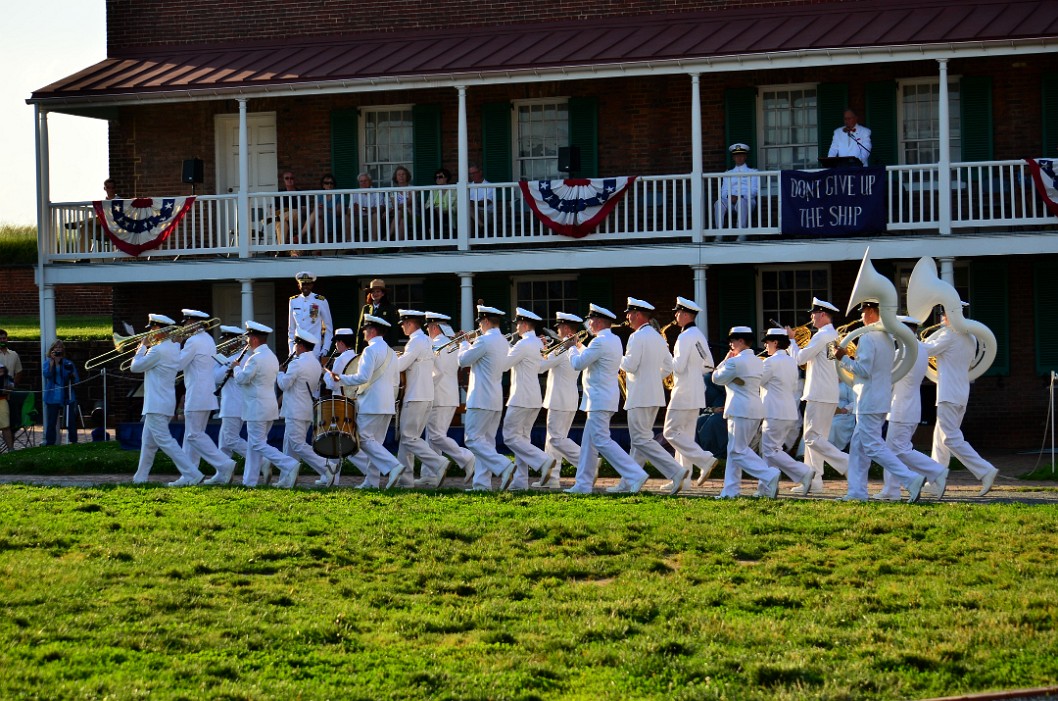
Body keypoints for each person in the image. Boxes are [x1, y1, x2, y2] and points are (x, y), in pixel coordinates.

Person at [832, 301, 926, 502]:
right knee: (858, 447)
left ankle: (911, 479)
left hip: (869, 400)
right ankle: (856, 492)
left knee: (873, 446)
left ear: (872, 312)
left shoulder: (868, 337)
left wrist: (843, 358)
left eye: (864, 312)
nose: (862, 316)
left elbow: (864, 370)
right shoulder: (886, 337)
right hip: (877, 399)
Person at [565, 304, 650, 495]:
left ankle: (635, 473)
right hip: (603, 398)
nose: (588, 323)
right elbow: (592, 357)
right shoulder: (612, 340)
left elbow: (578, 363)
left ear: (599, 321)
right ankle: (583, 484)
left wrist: (571, 348)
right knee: (589, 444)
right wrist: (579, 346)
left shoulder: (600, 341)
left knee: (602, 440)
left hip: (598, 399)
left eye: (591, 319)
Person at [923, 304, 1001, 496]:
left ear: (951, 315)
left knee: (950, 438)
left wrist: (911, 339)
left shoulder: (948, 335)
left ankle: (984, 470)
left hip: (948, 394)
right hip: (960, 393)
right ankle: (936, 480)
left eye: (943, 313)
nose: (941, 317)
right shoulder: (970, 337)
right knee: (939, 439)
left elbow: (925, 350)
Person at [875, 316, 949, 501]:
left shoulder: (903, 351)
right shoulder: (921, 349)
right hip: (910, 406)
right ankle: (891, 490)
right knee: (893, 451)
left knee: (899, 450)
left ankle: (936, 471)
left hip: (901, 407)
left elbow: (886, 375)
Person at [619, 297, 689, 495]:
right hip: (653, 395)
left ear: (639, 315)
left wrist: (616, 356)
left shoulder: (636, 337)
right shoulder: (658, 336)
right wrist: (651, 379)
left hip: (640, 395)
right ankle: (629, 481)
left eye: (630, 313)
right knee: (639, 442)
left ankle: (676, 471)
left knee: (641, 440)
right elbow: (668, 366)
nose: (627, 317)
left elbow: (630, 366)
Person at [329, 315, 406, 489]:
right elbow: (396, 380)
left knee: (362, 439)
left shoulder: (370, 351)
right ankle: (371, 482)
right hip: (387, 404)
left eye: (365, 329)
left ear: (371, 331)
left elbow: (363, 377)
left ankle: (393, 466)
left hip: (371, 403)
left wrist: (341, 378)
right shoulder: (392, 352)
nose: (363, 332)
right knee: (375, 444)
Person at [129, 314, 205, 486]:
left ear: (159, 330)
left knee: (166, 441)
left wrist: (142, 347)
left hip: (156, 403)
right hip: (162, 401)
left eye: (153, 329)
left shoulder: (158, 350)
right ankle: (140, 478)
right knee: (148, 444)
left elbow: (135, 367)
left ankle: (193, 473)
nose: (150, 333)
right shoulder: (173, 347)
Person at [711, 326, 781, 499]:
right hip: (754, 409)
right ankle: (730, 491)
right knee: (735, 451)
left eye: (733, 341)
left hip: (740, 410)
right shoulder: (759, 361)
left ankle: (769, 474)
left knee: (737, 451)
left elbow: (716, 378)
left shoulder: (735, 362)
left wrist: (726, 360)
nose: (731, 344)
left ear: (741, 341)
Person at [789, 298, 849, 493]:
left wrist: (791, 340)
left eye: (814, 313)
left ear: (823, 314)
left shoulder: (822, 335)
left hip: (819, 393)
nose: (811, 317)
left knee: (811, 437)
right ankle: (814, 481)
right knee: (816, 438)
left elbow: (800, 358)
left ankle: (847, 463)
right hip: (827, 393)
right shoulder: (832, 335)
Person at [232, 321, 302, 488]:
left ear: (254, 339)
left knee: (256, 444)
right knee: (254, 445)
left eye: (249, 338)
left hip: (257, 408)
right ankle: (249, 481)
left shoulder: (254, 359)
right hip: (268, 406)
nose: (247, 342)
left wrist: (235, 368)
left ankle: (288, 464)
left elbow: (242, 379)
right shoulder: (271, 356)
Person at [662, 297, 719, 491]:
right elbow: (709, 365)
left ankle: (705, 459)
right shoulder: (698, 335)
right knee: (684, 435)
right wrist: (694, 373)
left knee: (669, 432)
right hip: (696, 392)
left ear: (685, 314)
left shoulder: (685, 337)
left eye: (677, 312)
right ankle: (683, 479)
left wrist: (665, 353)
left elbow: (677, 367)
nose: (675, 315)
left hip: (683, 391)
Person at [458, 305, 516, 491]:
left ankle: (503, 465)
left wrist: (464, 343)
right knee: (487, 442)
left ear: (485, 321)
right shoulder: (502, 341)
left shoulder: (484, 340)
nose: (479, 327)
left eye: (481, 323)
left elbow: (463, 361)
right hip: (495, 398)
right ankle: (482, 484)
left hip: (480, 398)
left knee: (473, 440)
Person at [177, 309, 238, 484]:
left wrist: (176, 344)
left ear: (193, 323)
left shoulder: (192, 341)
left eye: (186, 323)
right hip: (205, 394)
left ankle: (224, 464)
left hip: (197, 394)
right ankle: (190, 474)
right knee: (193, 436)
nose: (184, 326)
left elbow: (178, 364)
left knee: (193, 435)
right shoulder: (208, 339)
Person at [394, 309, 451, 489]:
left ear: (410, 324)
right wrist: (427, 385)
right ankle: (406, 481)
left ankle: (438, 462)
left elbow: (401, 365)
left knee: (409, 438)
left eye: (403, 324)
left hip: (415, 397)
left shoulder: (415, 342)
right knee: (408, 439)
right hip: (427, 397)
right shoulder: (428, 341)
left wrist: (389, 360)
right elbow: (440, 371)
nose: (403, 327)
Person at [501, 308, 556, 490]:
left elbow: (504, 365)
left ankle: (543, 460)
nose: (516, 327)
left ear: (524, 325)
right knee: (522, 440)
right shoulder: (537, 343)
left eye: (518, 324)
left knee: (509, 437)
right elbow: (541, 368)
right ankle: (520, 481)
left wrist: (503, 345)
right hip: (533, 397)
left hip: (521, 398)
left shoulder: (523, 344)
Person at [419, 312, 475, 487]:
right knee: (432, 436)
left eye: (428, 327)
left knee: (435, 436)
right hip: (450, 395)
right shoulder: (453, 345)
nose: (427, 331)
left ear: (434, 327)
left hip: (438, 395)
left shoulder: (434, 345)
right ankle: (430, 474)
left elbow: (436, 372)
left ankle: (467, 458)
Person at [758, 328, 814, 495]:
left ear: (775, 342)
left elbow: (757, 381)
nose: (766, 346)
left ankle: (803, 472)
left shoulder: (770, 362)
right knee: (771, 451)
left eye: (767, 342)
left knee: (770, 450)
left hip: (775, 412)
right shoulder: (791, 361)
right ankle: (766, 488)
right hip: (788, 412)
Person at [536, 312, 585, 489]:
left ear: (565, 328)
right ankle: (552, 478)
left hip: (558, 400)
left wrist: (537, 348)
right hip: (570, 399)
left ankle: (587, 462)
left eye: (559, 327)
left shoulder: (563, 348)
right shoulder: (580, 347)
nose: (557, 330)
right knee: (554, 440)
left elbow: (540, 367)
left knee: (556, 439)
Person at [277, 331, 332, 486]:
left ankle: (326, 466)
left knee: (296, 444)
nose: (295, 348)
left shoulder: (297, 363)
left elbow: (283, 384)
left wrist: (280, 373)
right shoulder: (315, 363)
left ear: (300, 346)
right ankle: (287, 478)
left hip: (295, 410)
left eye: (296, 345)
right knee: (289, 446)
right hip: (304, 409)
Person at [205, 324, 256, 485]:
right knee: (224, 442)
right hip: (234, 404)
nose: (225, 343)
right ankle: (221, 473)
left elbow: (215, 378)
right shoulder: (243, 357)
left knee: (232, 439)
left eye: (227, 340)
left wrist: (220, 364)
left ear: (234, 342)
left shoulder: (238, 359)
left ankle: (260, 461)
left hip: (233, 405)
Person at [320, 327, 359, 485]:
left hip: (339, 402)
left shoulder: (341, 359)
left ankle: (331, 478)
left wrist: (325, 375)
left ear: (341, 342)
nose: (336, 345)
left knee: (337, 441)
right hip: (353, 401)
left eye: (336, 342)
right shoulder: (357, 356)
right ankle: (329, 477)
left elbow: (332, 384)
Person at [713, 143, 761, 239]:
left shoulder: (753, 172)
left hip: (747, 201)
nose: (739, 158)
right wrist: (730, 197)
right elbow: (724, 192)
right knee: (719, 203)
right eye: (736, 156)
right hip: (731, 201)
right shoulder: (728, 173)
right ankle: (719, 233)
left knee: (741, 202)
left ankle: (741, 233)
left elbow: (754, 191)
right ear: (733, 158)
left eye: (741, 155)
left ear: (745, 157)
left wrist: (740, 197)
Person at [288, 271, 333, 360]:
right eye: (303, 284)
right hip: (298, 349)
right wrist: (291, 350)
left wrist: (325, 349)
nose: (305, 287)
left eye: (308, 284)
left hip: (314, 349)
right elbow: (291, 329)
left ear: (312, 285)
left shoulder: (320, 300)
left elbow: (329, 327)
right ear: (299, 285)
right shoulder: (293, 301)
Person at [42, 339, 80, 446]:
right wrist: (53, 363)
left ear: (63, 350)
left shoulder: (68, 363)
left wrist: (71, 374)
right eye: (56, 348)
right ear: (52, 351)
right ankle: (50, 443)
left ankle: (73, 441)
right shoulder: (48, 362)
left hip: (67, 395)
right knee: (51, 421)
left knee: (71, 420)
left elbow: (76, 379)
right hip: (52, 396)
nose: (58, 350)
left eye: (60, 348)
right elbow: (47, 375)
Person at [302, 173, 347, 249]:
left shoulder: (338, 195)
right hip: (322, 224)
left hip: (334, 223)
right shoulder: (320, 196)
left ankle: (301, 234)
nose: (329, 185)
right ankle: (318, 249)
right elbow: (314, 213)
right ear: (323, 185)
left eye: (331, 183)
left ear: (334, 185)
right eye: (326, 183)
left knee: (318, 212)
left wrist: (325, 208)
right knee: (318, 218)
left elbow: (339, 213)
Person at [356, 278, 401, 352]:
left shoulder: (390, 308)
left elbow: (394, 330)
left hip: (384, 347)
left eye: (378, 291)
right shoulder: (366, 308)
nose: (375, 294)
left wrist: (392, 348)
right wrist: (358, 351)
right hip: (368, 346)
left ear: (383, 293)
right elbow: (360, 331)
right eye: (373, 292)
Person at [275, 170, 305, 253]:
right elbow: (273, 209)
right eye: (287, 178)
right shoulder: (280, 194)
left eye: (291, 178)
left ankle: (281, 217)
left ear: (294, 180)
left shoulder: (300, 193)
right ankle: (281, 250)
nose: (289, 180)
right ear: (284, 180)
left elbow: (304, 209)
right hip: (285, 221)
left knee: (295, 211)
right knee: (281, 224)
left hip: (297, 219)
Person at [352, 172, 385, 242]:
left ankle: (373, 243)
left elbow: (379, 209)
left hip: (372, 218)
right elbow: (350, 211)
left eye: (365, 181)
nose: (363, 183)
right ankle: (349, 244)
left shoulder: (377, 192)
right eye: (361, 181)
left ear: (370, 182)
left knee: (376, 215)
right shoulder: (355, 193)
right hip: (358, 218)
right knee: (347, 217)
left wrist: (361, 208)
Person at [426, 168, 456, 237]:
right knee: (429, 211)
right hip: (434, 214)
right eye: (436, 177)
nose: (438, 179)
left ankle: (430, 235)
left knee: (432, 213)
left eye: (440, 177)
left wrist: (443, 209)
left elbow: (456, 207)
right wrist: (436, 208)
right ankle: (431, 233)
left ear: (446, 178)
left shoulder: (454, 191)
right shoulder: (434, 191)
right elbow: (427, 204)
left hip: (448, 214)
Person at [390, 165, 416, 241]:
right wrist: (401, 206)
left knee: (399, 212)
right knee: (402, 220)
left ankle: (388, 236)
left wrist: (400, 206)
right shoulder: (393, 191)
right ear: (396, 177)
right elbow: (395, 206)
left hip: (412, 214)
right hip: (399, 215)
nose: (401, 176)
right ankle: (401, 247)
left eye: (403, 174)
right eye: (399, 175)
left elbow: (410, 202)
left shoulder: (413, 189)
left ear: (407, 176)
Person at [468, 163, 494, 233]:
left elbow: (487, 202)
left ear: (480, 172)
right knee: (467, 213)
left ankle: (470, 239)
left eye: (474, 173)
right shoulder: (468, 186)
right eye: (470, 174)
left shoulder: (489, 185)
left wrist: (472, 203)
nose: (472, 175)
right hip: (470, 212)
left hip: (485, 212)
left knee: (469, 209)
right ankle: (482, 226)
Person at [0, 363, 14, 452]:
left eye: (1, 369)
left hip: (2, 401)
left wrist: (8, 389)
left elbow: (11, 386)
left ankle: (10, 449)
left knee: (5, 426)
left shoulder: (7, 378)